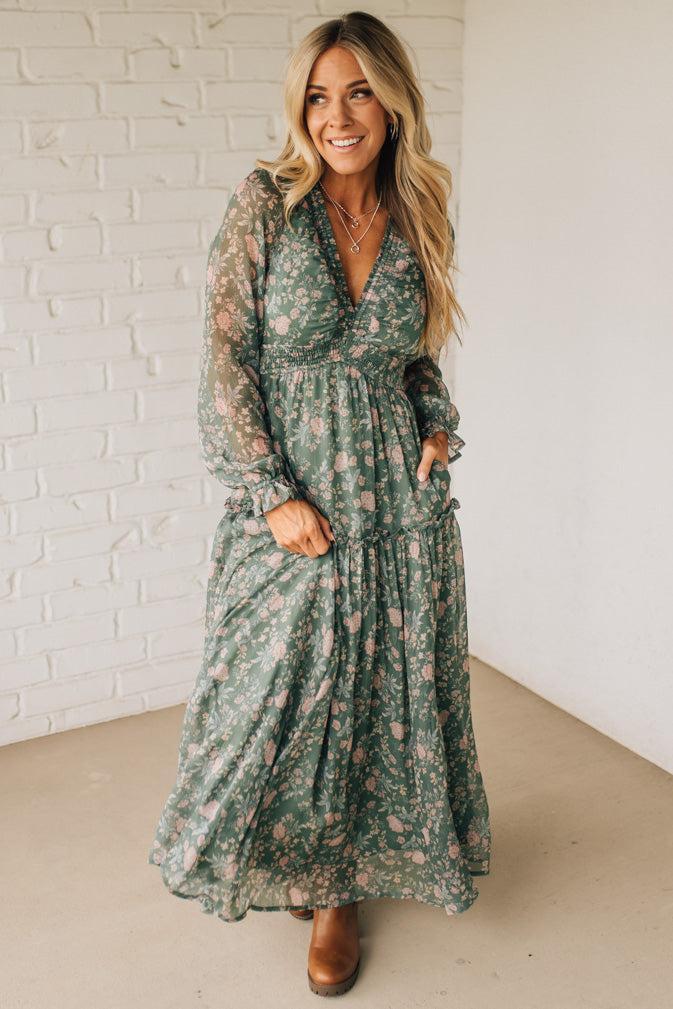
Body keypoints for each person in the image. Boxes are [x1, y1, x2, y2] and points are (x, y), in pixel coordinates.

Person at [148, 10, 491, 998]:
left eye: (357, 91)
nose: (339, 114)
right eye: (317, 94)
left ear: (391, 99)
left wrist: (434, 424)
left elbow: (416, 353)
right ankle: (297, 853)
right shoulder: (266, 203)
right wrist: (267, 495)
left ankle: (338, 890)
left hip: (398, 498)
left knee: (381, 693)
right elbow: (224, 360)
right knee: (276, 691)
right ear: (298, 106)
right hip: (297, 496)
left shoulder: (421, 205)